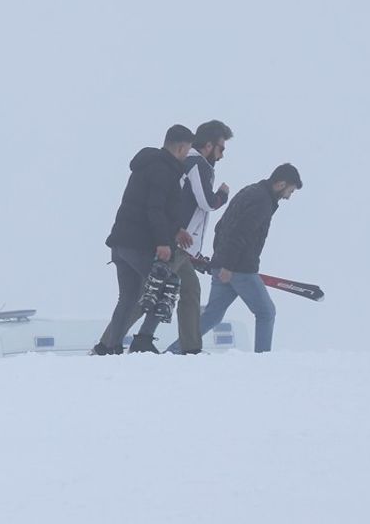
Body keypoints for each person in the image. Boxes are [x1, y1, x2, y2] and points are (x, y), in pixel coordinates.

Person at [93, 125, 195, 356]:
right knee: (166, 285)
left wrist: (176, 229)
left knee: (129, 297)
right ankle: (143, 340)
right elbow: (155, 208)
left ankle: (111, 347)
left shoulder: (146, 165)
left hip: (120, 243)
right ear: (180, 147)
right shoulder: (165, 170)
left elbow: (148, 206)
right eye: (187, 150)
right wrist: (163, 242)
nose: (186, 155)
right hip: (139, 244)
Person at [142, 119, 233, 354]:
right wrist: (223, 195)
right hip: (176, 241)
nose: (222, 155)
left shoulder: (190, 162)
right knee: (154, 290)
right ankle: (113, 340)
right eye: (221, 148)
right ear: (210, 145)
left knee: (189, 290)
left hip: (181, 242)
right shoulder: (197, 163)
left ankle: (190, 348)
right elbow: (206, 202)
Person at [194, 163, 303, 353]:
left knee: (213, 316)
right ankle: (263, 360)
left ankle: (176, 349)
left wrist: (219, 260)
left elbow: (221, 226)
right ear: (281, 184)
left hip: (224, 264)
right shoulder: (262, 201)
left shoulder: (249, 192)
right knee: (266, 312)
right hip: (239, 269)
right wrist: (228, 266)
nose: (288, 197)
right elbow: (240, 233)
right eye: (290, 191)